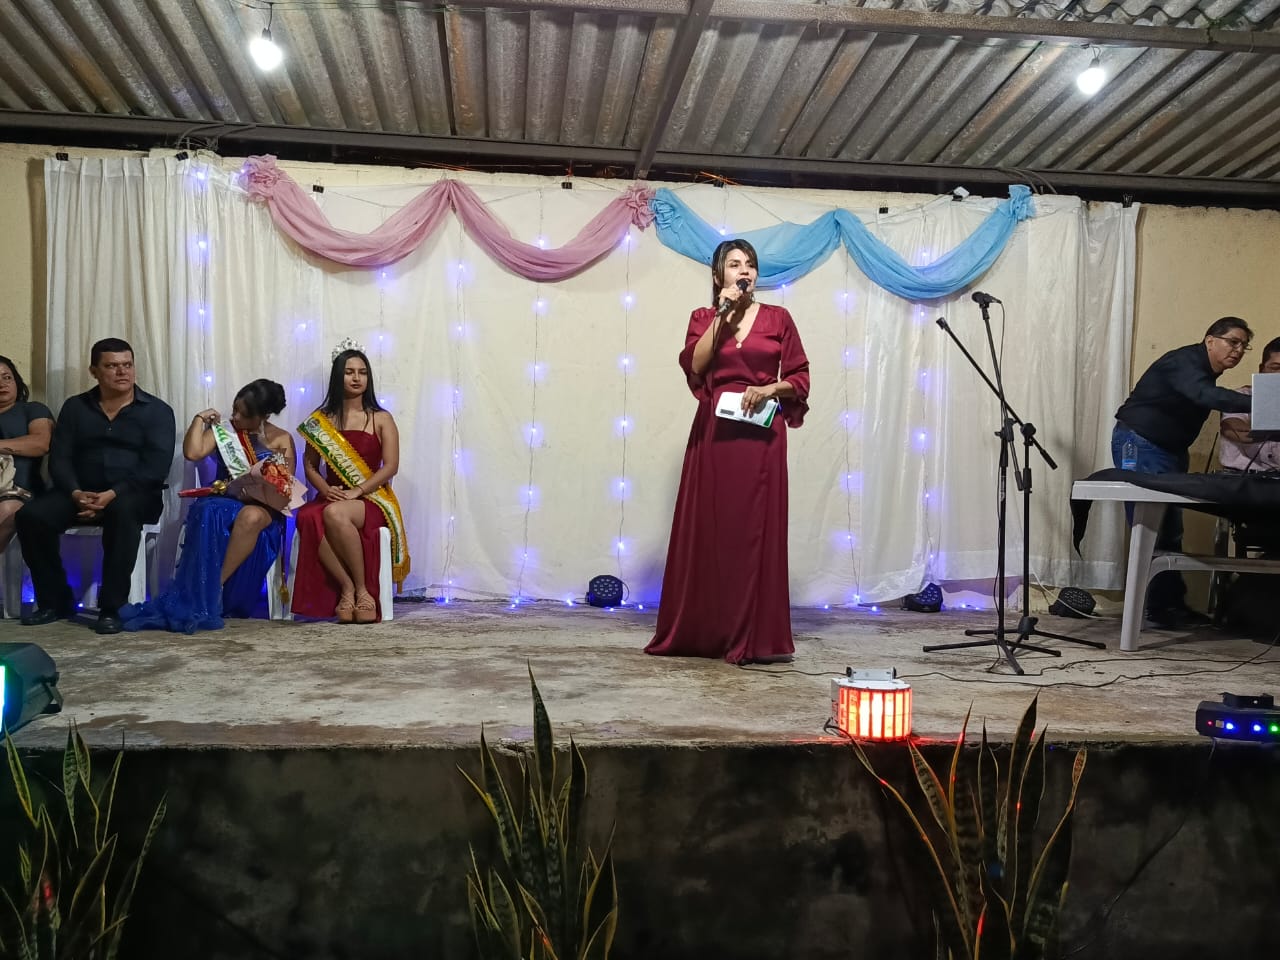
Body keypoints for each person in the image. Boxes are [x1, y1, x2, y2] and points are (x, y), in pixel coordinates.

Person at [645, 239, 810, 664]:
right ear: (719, 275)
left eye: (750, 264)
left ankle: (754, 635)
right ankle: (707, 631)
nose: (745, 270)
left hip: (762, 437)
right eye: (735, 264)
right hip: (715, 433)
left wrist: (769, 389)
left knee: (754, 531)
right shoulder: (704, 317)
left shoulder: (778, 318)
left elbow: (800, 378)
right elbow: (695, 365)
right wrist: (723, 312)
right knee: (712, 528)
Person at [15, 337, 176, 634]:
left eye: (127, 364)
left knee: (123, 512)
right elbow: (60, 459)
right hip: (79, 491)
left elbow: (155, 467)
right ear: (94, 371)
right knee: (31, 516)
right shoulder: (75, 407)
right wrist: (76, 493)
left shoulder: (157, 411)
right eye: (112, 366)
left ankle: (112, 607)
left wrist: (111, 495)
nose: (122, 372)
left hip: (134, 494)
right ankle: (54, 601)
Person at [1111, 317, 1254, 629]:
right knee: (1151, 527)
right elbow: (1206, 397)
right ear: (1210, 340)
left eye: (1244, 346)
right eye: (1233, 342)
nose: (1238, 350)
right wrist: (1260, 402)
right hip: (1142, 444)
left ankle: (1168, 605)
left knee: (1170, 529)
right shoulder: (1185, 361)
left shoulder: (1201, 371)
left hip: (1168, 450)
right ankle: (1154, 610)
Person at [121, 379, 296, 633]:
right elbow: (193, 452)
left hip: (264, 506)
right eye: (234, 409)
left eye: (243, 414)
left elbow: (285, 487)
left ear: (263, 416)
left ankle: (214, 587)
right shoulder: (226, 431)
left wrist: (259, 486)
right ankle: (204, 591)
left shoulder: (282, 439)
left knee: (251, 517)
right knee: (208, 510)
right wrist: (199, 419)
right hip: (226, 498)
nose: (235, 417)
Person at [291, 342, 409, 623]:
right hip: (333, 495)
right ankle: (347, 588)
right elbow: (310, 465)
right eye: (349, 372)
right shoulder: (320, 421)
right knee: (307, 516)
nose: (357, 378)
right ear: (337, 376)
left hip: (371, 498)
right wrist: (325, 489)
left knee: (334, 514)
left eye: (362, 372)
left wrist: (358, 490)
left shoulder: (381, 418)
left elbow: (390, 466)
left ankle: (363, 591)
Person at [0, 356, 54, 554]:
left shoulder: (33, 410)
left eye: (7, 377)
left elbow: (41, 443)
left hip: (22, 492)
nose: (2, 384)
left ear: (16, 381)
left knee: (6, 510)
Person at [1219, 335, 1280, 474]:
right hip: (1241, 476)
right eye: (1276, 368)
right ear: (1261, 369)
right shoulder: (1241, 395)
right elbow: (1232, 428)